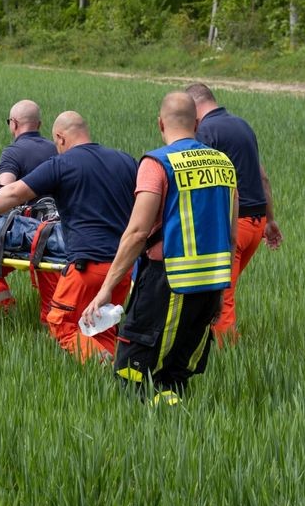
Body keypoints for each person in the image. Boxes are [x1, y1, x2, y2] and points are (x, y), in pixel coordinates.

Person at [83, 92, 238, 404]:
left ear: (160, 123)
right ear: (196, 123)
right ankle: (172, 427)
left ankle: (133, 428)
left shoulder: (158, 163)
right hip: (209, 284)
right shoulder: (224, 164)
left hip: (165, 283)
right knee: (175, 373)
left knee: (132, 367)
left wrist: (105, 290)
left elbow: (138, 231)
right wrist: (222, 292)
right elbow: (229, 236)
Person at [0, 111, 136, 361]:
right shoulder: (125, 161)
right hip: (122, 268)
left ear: (60, 138)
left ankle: (112, 375)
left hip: (86, 267)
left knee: (61, 324)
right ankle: (119, 380)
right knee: (101, 327)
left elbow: (13, 193)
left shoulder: (63, 164)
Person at [186, 83, 283, 345]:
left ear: (195, 107)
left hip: (232, 226)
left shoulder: (206, 132)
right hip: (255, 223)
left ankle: (226, 353)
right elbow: (263, 177)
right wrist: (270, 220)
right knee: (220, 291)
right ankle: (208, 343)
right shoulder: (242, 126)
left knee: (221, 294)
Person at [0, 100, 61, 318]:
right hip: (59, 234)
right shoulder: (57, 149)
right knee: (51, 291)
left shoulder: (13, 152)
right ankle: (53, 337)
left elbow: (5, 192)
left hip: (27, 236)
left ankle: (7, 313)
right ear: (39, 124)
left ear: (13, 124)